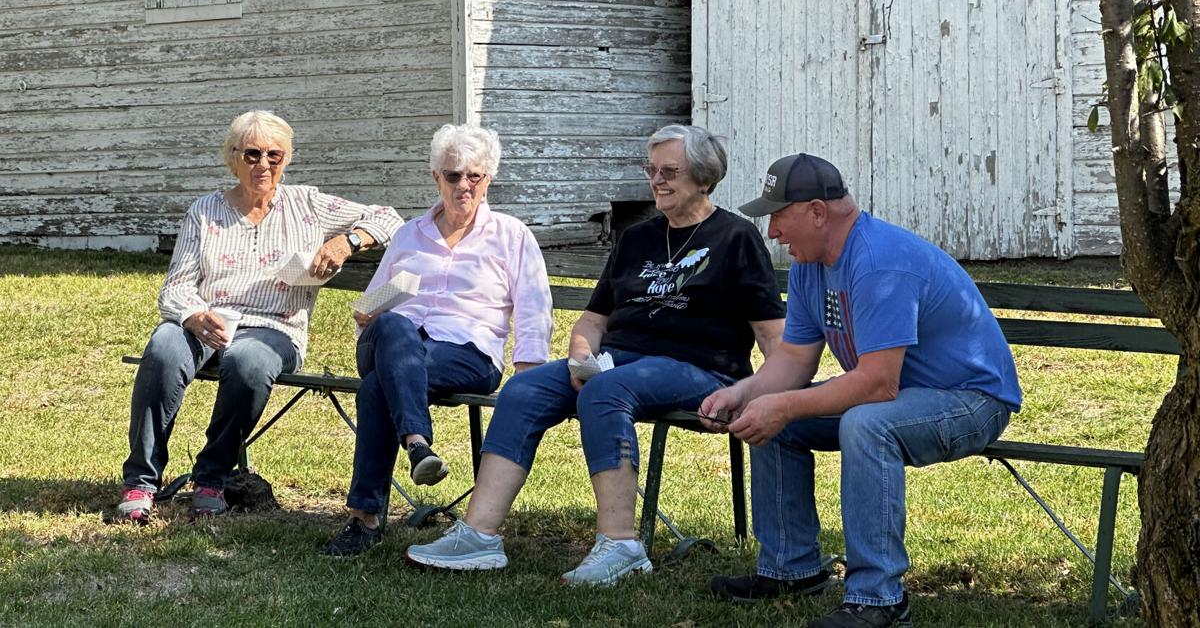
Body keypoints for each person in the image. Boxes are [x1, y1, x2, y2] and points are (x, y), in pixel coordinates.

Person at [403, 124, 786, 585]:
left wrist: (766, 394)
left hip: (702, 369)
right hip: (619, 362)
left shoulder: (736, 237)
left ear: (704, 177)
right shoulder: (638, 237)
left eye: (670, 171)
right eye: (652, 170)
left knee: (608, 390)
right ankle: (479, 536)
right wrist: (582, 356)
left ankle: (621, 544)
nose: (657, 180)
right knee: (524, 388)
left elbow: (771, 333)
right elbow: (593, 320)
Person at [701, 154, 1022, 627]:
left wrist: (783, 404)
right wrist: (743, 393)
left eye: (778, 216)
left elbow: (876, 382)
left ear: (816, 211)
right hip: (901, 395)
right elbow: (793, 360)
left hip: (970, 399)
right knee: (769, 416)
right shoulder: (812, 262)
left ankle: (880, 601)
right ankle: (791, 569)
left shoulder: (878, 262)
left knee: (865, 423)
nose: (772, 232)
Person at [111, 110, 404, 523]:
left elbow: (389, 218)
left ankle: (212, 476)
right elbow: (175, 287)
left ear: (287, 159)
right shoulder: (205, 211)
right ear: (233, 157)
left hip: (275, 328)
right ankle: (141, 481)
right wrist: (194, 314)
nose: (263, 164)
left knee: (248, 363)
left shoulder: (307, 205)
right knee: (163, 347)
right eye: (252, 154)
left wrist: (346, 242)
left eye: (274, 155)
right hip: (206, 321)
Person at [321, 124, 553, 557]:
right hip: (387, 342)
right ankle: (417, 441)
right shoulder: (409, 234)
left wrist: (528, 372)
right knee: (394, 327)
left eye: (474, 177)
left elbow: (534, 305)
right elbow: (373, 302)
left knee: (378, 387)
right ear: (435, 177)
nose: (463, 186)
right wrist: (368, 312)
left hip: (467, 353)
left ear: (489, 179)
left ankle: (365, 518)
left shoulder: (511, 234)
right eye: (453, 176)